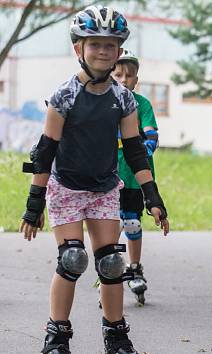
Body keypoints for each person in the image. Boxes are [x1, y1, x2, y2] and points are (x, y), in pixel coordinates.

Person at [19, 6, 169, 354]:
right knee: (72, 259)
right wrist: (33, 204)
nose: (103, 51)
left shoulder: (123, 99)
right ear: (78, 49)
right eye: (95, 44)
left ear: (119, 51)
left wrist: (152, 196)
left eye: (110, 45)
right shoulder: (63, 96)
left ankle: (116, 335)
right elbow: (45, 151)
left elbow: (135, 152)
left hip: (104, 188)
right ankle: (56, 336)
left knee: (112, 262)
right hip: (66, 187)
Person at [111, 49, 159, 305]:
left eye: (129, 76)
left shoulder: (143, 104)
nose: (123, 79)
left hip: (133, 175)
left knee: (131, 223)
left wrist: (139, 153)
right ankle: (107, 269)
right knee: (108, 225)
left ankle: (135, 266)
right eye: (118, 74)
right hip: (107, 175)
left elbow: (152, 137)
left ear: (136, 79)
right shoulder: (105, 101)